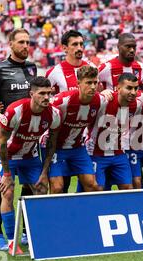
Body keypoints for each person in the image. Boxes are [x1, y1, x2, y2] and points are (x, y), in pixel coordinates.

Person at [0, 28, 37, 251]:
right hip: (8, 138)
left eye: (28, 42)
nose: (25, 45)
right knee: (3, 186)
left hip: (30, 139)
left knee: (31, 187)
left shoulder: (32, 68)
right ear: (11, 44)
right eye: (21, 42)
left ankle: (24, 232)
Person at [0, 77, 61, 255]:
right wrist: (7, 173)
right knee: (8, 192)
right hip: (6, 155)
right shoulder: (16, 110)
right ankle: (11, 242)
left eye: (49, 93)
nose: (46, 97)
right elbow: (2, 142)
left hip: (30, 155)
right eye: (42, 93)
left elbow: (51, 144)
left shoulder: (54, 114)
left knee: (41, 189)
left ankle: (38, 236)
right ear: (31, 94)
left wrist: (44, 172)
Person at [44, 30, 95, 194]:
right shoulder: (54, 73)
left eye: (81, 44)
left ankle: (84, 216)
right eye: (75, 44)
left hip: (83, 139)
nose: (79, 48)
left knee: (89, 183)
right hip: (59, 139)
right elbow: (44, 102)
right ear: (65, 48)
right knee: (60, 186)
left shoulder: (92, 68)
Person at [48, 66, 104, 193]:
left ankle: (87, 213)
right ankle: (56, 213)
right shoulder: (63, 100)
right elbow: (43, 113)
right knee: (57, 187)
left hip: (77, 147)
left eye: (95, 82)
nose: (93, 87)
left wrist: (108, 93)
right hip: (56, 147)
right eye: (88, 83)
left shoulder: (100, 100)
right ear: (78, 83)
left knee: (93, 186)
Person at [86, 73, 139, 190]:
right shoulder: (104, 101)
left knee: (128, 187)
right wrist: (101, 93)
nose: (133, 92)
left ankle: (127, 209)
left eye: (136, 88)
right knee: (97, 190)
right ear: (118, 88)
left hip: (118, 153)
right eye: (129, 88)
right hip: (96, 153)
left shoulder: (137, 103)